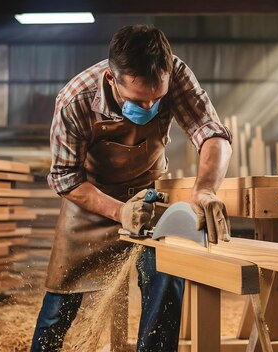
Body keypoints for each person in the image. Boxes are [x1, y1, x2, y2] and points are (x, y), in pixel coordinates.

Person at [30, 24, 232, 352]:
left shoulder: (176, 74)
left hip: (150, 196)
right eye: (139, 99)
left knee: (165, 281)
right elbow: (66, 178)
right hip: (90, 200)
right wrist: (120, 210)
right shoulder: (74, 99)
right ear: (112, 79)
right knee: (61, 296)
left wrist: (206, 189)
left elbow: (211, 133)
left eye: (157, 98)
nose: (150, 106)